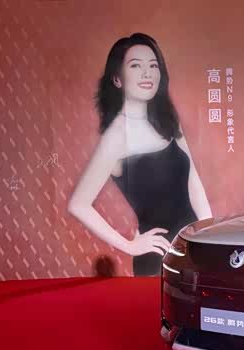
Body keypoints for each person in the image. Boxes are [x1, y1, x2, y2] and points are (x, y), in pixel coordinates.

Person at [68, 33, 212, 276]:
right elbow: (78, 204)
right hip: (158, 260)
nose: (147, 73)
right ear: (117, 79)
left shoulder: (166, 120)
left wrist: (209, 232)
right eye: (136, 66)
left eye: (153, 66)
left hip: (195, 248)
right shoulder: (116, 136)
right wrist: (130, 246)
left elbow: (193, 181)